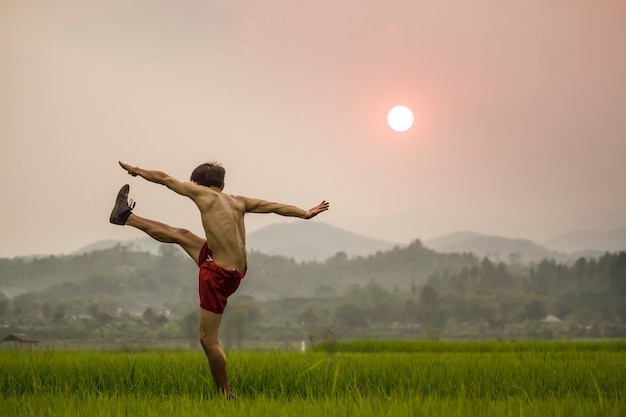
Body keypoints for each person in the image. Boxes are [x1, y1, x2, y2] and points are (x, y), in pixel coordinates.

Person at [109, 161, 329, 397]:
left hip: (218, 276)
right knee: (182, 235)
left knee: (207, 340)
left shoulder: (199, 193)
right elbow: (274, 206)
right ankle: (125, 216)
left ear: (197, 184)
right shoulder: (238, 200)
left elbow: (165, 179)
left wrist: (138, 171)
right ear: (222, 185)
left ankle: (226, 394)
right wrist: (304, 213)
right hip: (233, 270)